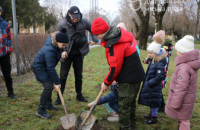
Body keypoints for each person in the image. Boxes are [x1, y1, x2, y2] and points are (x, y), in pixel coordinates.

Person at [91, 17, 146, 130]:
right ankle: (132, 127)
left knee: (124, 107)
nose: (97, 37)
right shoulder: (117, 36)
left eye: (97, 34)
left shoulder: (115, 43)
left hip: (129, 79)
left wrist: (106, 82)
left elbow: (115, 68)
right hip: (135, 76)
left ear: (103, 32)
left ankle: (126, 128)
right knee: (130, 104)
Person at [55, 6, 98, 104]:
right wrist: (62, 51)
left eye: (78, 16)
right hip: (67, 54)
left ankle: (79, 95)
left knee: (79, 76)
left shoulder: (84, 22)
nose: (76, 18)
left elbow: (93, 29)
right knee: (63, 76)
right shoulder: (62, 24)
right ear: (69, 14)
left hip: (79, 53)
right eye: (74, 16)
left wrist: (95, 40)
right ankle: (59, 98)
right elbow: (57, 40)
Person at [32, 28, 69, 119]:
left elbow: (59, 49)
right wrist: (57, 82)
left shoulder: (55, 44)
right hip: (40, 68)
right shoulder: (49, 50)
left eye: (65, 45)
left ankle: (48, 104)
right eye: (63, 45)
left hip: (46, 67)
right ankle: (41, 110)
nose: (64, 47)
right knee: (48, 86)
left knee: (49, 85)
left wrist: (63, 50)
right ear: (57, 41)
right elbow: (51, 68)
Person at [165, 35, 200, 130]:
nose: (177, 52)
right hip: (187, 99)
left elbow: (181, 87)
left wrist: (175, 103)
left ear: (182, 52)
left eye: (178, 50)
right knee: (182, 119)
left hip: (183, 101)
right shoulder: (189, 64)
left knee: (183, 120)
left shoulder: (184, 67)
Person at [138, 35, 167, 124]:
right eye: (149, 53)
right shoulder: (153, 60)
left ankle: (154, 118)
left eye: (151, 53)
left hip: (154, 86)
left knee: (153, 102)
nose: (149, 55)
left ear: (157, 53)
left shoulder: (159, 63)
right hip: (151, 86)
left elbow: (159, 76)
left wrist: (150, 83)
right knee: (151, 101)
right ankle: (151, 114)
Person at [152, 30, 173, 112]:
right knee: (158, 89)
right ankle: (160, 105)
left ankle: (161, 106)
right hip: (158, 72)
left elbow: (160, 60)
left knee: (158, 90)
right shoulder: (160, 49)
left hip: (161, 73)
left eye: (155, 40)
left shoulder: (163, 50)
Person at [0, 6, 17, 99]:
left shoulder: (5, 24)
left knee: (7, 74)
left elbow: (9, 38)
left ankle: (10, 92)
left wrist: (9, 50)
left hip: (4, 54)